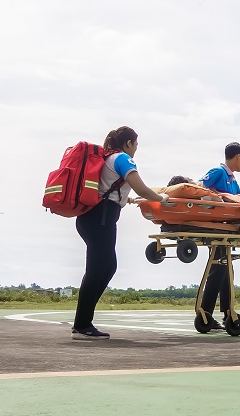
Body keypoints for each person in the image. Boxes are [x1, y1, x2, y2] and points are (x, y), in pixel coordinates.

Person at [72, 126, 168, 340]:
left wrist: (129, 199)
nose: (136, 149)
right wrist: (161, 199)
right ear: (128, 143)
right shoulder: (123, 159)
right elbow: (141, 188)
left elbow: (112, 190)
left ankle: (83, 322)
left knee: (106, 267)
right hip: (101, 220)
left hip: (93, 218)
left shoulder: (108, 158)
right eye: (136, 144)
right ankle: (82, 325)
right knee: (98, 269)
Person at [197, 142, 240, 330]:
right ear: (238, 157)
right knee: (218, 269)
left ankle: (227, 313)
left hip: (227, 231)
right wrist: (216, 195)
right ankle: (205, 314)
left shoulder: (234, 182)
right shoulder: (219, 172)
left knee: (226, 271)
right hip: (216, 229)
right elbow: (199, 187)